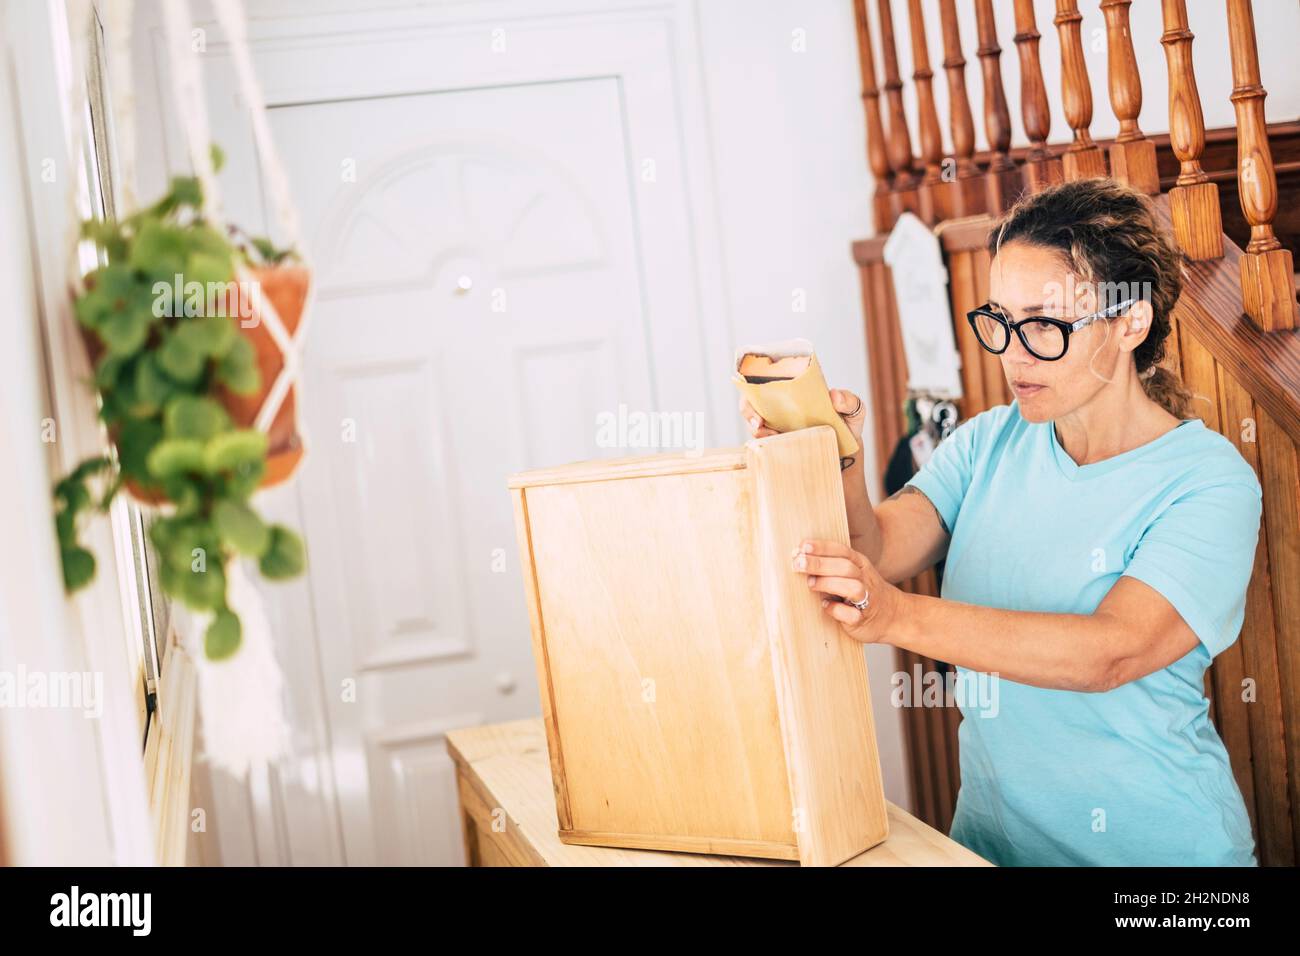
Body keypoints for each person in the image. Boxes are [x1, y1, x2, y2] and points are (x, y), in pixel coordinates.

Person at [738, 178, 1262, 866]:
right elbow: (881, 546)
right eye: (1002, 322)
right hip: (991, 846)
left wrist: (894, 617)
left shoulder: (1208, 481)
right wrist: (835, 453)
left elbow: (1109, 653)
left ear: (1129, 322)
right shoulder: (988, 442)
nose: (1013, 354)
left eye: (1044, 325)